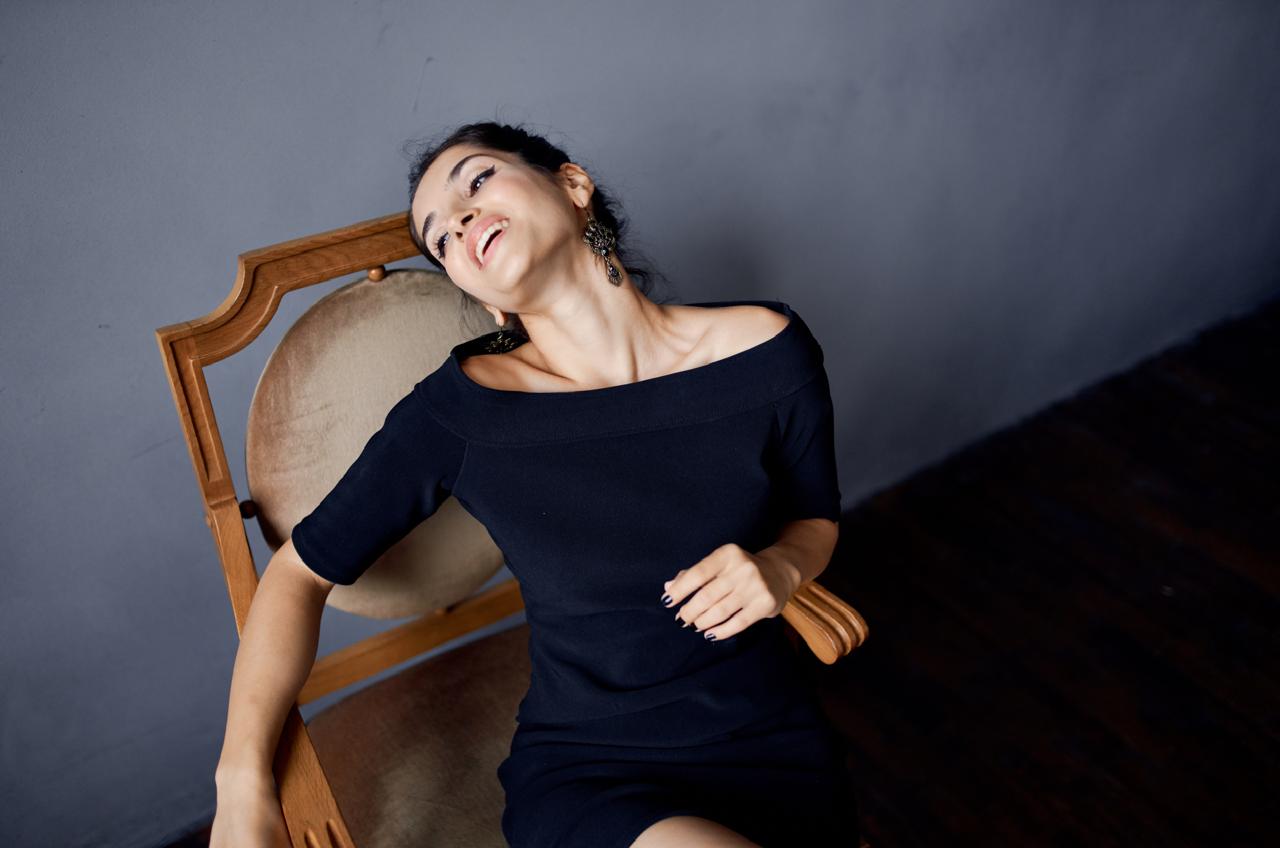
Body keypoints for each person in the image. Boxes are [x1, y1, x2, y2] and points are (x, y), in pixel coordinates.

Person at [211, 121, 861, 848]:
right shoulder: (463, 411)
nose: (457, 223)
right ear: (477, 292)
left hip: (769, 741)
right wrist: (241, 784)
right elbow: (298, 573)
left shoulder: (767, 351)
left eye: (478, 181)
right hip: (597, 772)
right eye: (440, 240)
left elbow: (815, 517)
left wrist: (781, 564)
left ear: (575, 187)